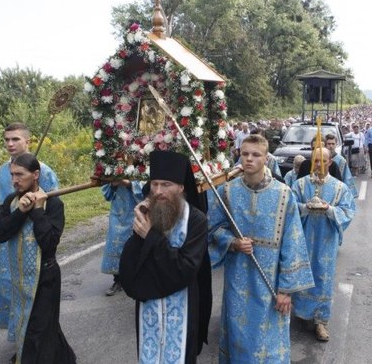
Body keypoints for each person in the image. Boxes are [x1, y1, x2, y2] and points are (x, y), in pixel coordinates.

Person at [208, 134, 314, 363]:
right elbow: (213, 228)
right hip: (238, 278)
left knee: (269, 340)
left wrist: (286, 290)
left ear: (266, 159)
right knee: (238, 335)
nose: (249, 159)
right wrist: (233, 242)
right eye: (245, 154)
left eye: (255, 155)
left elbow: (293, 242)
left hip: (271, 281)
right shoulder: (227, 191)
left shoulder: (284, 195)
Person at [119, 150, 212, 364]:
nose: (158, 191)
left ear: (180, 187)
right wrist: (139, 233)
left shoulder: (196, 220)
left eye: (166, 185)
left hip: (183, 304)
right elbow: (130, 267)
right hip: (149, 302)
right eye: (155, 184)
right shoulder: (148, 213)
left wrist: (150, 236)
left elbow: (186, 269)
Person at [0, 122, 59, 343]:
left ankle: (32, 344)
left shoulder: (45, 172)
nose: (10, 144)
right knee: (12, 293)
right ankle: (20, 341)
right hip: (8, 246)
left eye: (15, 139)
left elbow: (53, 209)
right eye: (6, 140)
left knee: (34, 297)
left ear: (27, 141)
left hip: (34, 245)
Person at [0, 153, 76, 364]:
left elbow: (49, 243)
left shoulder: (53, 204)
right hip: (20, 279)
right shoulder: (11, 202)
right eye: (12, 175)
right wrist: (20, 212)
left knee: (38, 331)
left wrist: (38, 211)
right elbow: (0, 234)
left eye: (20, 175)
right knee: (32, 325)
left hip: (45, 278)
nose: (14, 180)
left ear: (36, 174)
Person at [291, 147, 356, 342]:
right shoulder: (300, 185)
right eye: (315, 160)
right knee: (301, 273)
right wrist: (305, 207)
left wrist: (328, 209)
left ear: (330, 163)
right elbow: (289, 206)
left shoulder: (339, 188)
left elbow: (348, 211)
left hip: (326, 240)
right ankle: (302, 312)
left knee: (323, 278)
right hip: (303, 237)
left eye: (323, 161)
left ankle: (321, 321)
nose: (319, 164)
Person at [100, 179, 145, 296]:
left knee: (135, 244)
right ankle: (118, 280)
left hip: (136, 209)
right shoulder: (113, 163)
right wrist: (113, 184)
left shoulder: (142, 161)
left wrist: (130, 184)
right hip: (118, 210)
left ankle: (137, 278)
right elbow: (107, 194)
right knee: (116, 242)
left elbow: (149, 186)